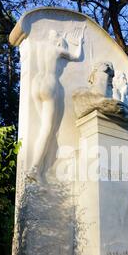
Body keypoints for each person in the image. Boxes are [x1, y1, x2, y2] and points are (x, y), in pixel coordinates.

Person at [29, 26, 85, 184]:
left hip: (37, 84)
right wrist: (79, 42)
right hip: (51, 84)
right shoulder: (57, 50)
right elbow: (77, 56)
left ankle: (39, 170)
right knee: (48, 130)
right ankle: (35, 168)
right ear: (59, 42)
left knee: (46, 129)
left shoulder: (40, 46)